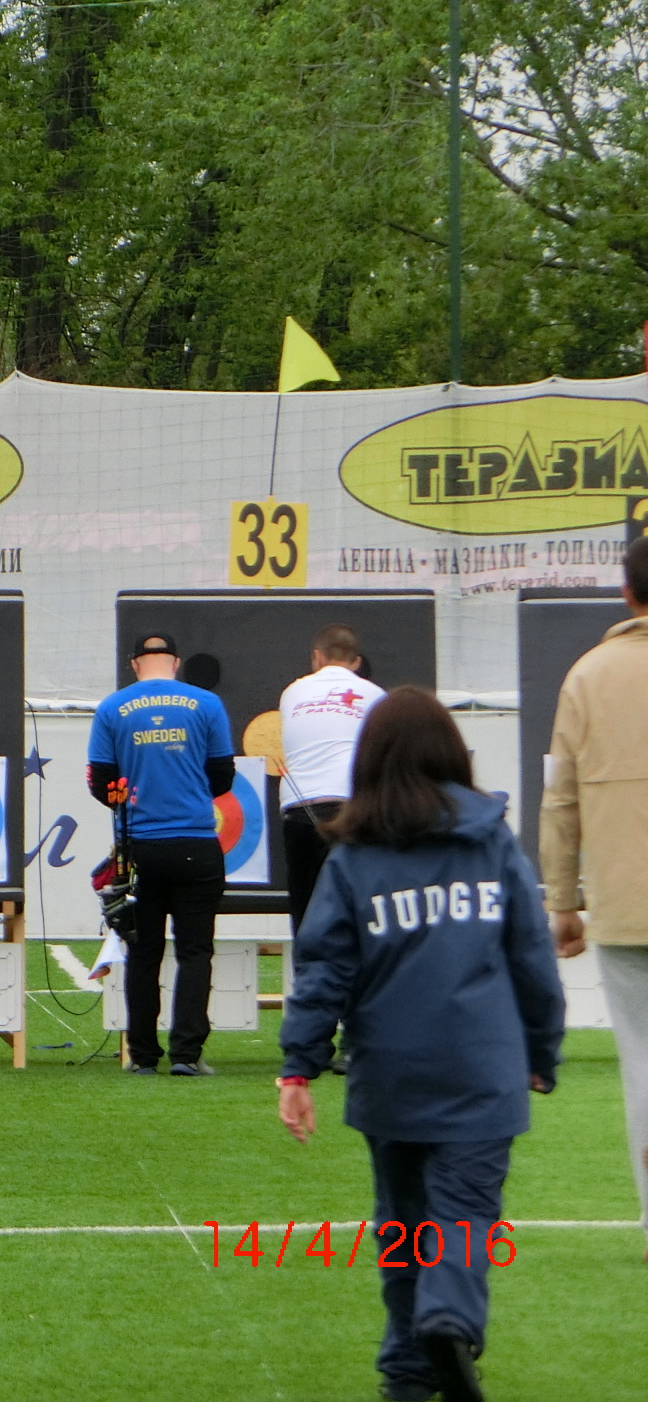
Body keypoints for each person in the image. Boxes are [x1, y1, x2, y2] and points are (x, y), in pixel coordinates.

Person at [279, 687, 565, 1402]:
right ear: (452, 754)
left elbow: (324, 969)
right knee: (464, 1212)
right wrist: (541, 1051)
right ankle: (448, 1320)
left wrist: (299, 1067)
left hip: (390, 1074)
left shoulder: (353, 858)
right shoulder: (492, 841)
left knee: (402, 1226)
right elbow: (531, 954)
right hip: (482, 1068)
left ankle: (408, 1369)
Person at [541, 534, 648, 1260]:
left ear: (626, 593)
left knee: (643, 1068)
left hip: (623, 904)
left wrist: (561, 900)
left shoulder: (587, 674)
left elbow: (560, 798)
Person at [88, 630, 235, 1077]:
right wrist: (188, 794)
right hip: (195, 842)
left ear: (135, 664)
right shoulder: (207, 704)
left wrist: (133, 802)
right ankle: (186, 1054)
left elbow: (101, 781)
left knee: (143, 951)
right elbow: (223, 775)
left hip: (139, 848)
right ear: (176, 662)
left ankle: (143, 1055)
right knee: (195, 951)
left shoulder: (112, 708)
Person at [279, 622, 386, 933]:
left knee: (305, 914)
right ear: (356, 662)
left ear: (317, 657)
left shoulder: (293, 692)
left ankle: (307, 964)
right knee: (355, 913)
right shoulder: (376, 695)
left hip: (299, 811)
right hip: (351, 811)